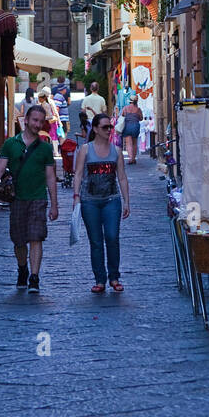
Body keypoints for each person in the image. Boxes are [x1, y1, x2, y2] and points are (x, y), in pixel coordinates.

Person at [0, 103, 58, 291]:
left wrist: (54, 204)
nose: (37, 124)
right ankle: (22, 269)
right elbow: (0, 170)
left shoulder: (45, 148)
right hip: (17, 198)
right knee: (18, 240)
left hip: (38, 197)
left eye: (41, 122)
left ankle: (34, 277)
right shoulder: (11, 144)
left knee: (36, 237)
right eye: (35, 120)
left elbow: (50, 177)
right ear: (25, 120)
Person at [73, 113, 130, 293]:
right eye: (105, 127)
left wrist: (126, 201)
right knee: (96, 241)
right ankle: (100, 279)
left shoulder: (116, 151)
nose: (108, 130)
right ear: (96, 129)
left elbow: (121, 177)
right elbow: (79, 174)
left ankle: (114, 276)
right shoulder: (86, 150)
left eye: (110, 127)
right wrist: (76, 197)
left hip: (111, 200)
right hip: (89, 201)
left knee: (112, 237)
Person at [120, 91, 144, 164]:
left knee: (128, 143)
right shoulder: (138, 109)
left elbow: (122, 115)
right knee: (134, 143)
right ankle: (133, 158)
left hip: (127, 126)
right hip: (135, 126)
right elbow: (141, 118)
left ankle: (130, 158)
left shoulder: (125, 108)